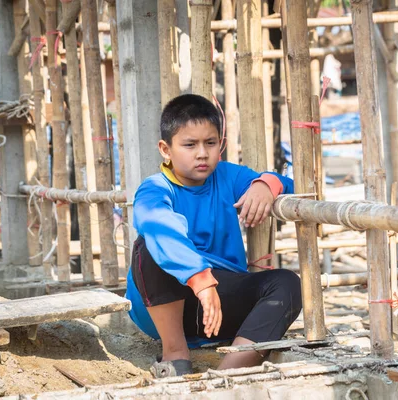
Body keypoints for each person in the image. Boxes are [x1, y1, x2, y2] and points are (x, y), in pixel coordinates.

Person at [125, 94, 302, 378]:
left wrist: (266, 183)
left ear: (221, 144)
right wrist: (200, 279)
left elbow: (294, 187)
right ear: (165, 149)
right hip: (163, 310)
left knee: (287, 283)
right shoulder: (155, 189)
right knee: (147, 246)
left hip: (222, 304)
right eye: (189, 144)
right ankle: (175, 355)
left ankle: (226, 375)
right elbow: (156, 223)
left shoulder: (228, 176)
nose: (202, 153)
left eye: (210, 143)